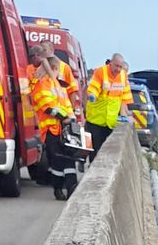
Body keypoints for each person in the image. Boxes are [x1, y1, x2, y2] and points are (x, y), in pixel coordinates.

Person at [30, 56, 77, 200]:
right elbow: (48, 107)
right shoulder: (45, 85)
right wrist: (67, 118)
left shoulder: (53, 85)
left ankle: (68, 188)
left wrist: (69, 118)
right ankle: (63, 189)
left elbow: (62, 105)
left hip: (60, 129)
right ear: (54, 69)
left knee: (63, 161)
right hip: (54, 129)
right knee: (61, 161)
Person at [85, 53, 133, 160]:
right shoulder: (101, 72)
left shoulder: (123, 76)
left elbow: (125, 96)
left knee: (107, 153)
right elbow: (93, 87)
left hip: (110, 122)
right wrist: (92, 95)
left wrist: (124, 114)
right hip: (95, 120)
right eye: (116, 66)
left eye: (120, 67)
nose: (118, 69)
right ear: (111, 63)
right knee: (94, 151)